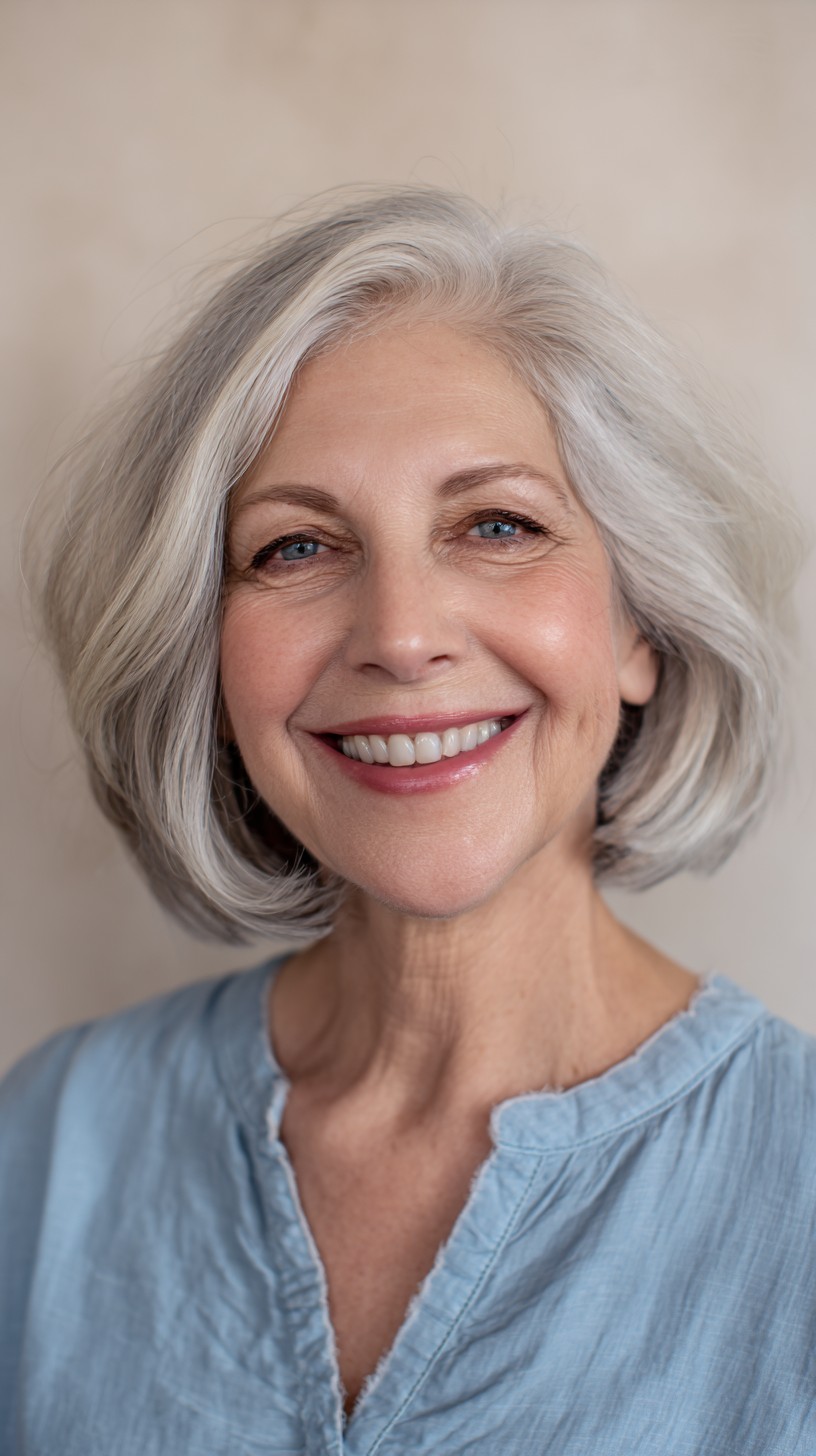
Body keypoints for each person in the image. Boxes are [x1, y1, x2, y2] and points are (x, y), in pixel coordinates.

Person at [2, 186, 812, 1455]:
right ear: (205, 659)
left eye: (497, 524)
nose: (401, 635)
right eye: (295, 547)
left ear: (640, 623)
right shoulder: (52, 1141)